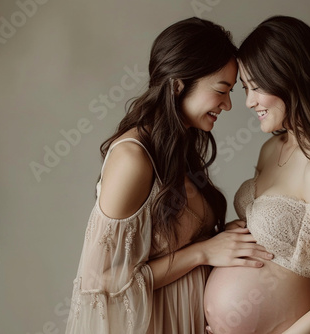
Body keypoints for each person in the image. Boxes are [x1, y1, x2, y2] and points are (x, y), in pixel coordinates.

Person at [65, 17, 273, 334]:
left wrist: (219, 239)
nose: (229, 104)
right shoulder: (134, 158)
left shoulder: (178, 148)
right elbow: (99, 282)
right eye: (222, 90)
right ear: (178, 85)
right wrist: (203, 251)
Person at [204, 16, 310, 334]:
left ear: (291, 79)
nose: (249, 101)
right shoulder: (270, 150)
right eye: (246, 88)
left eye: (257, 87)